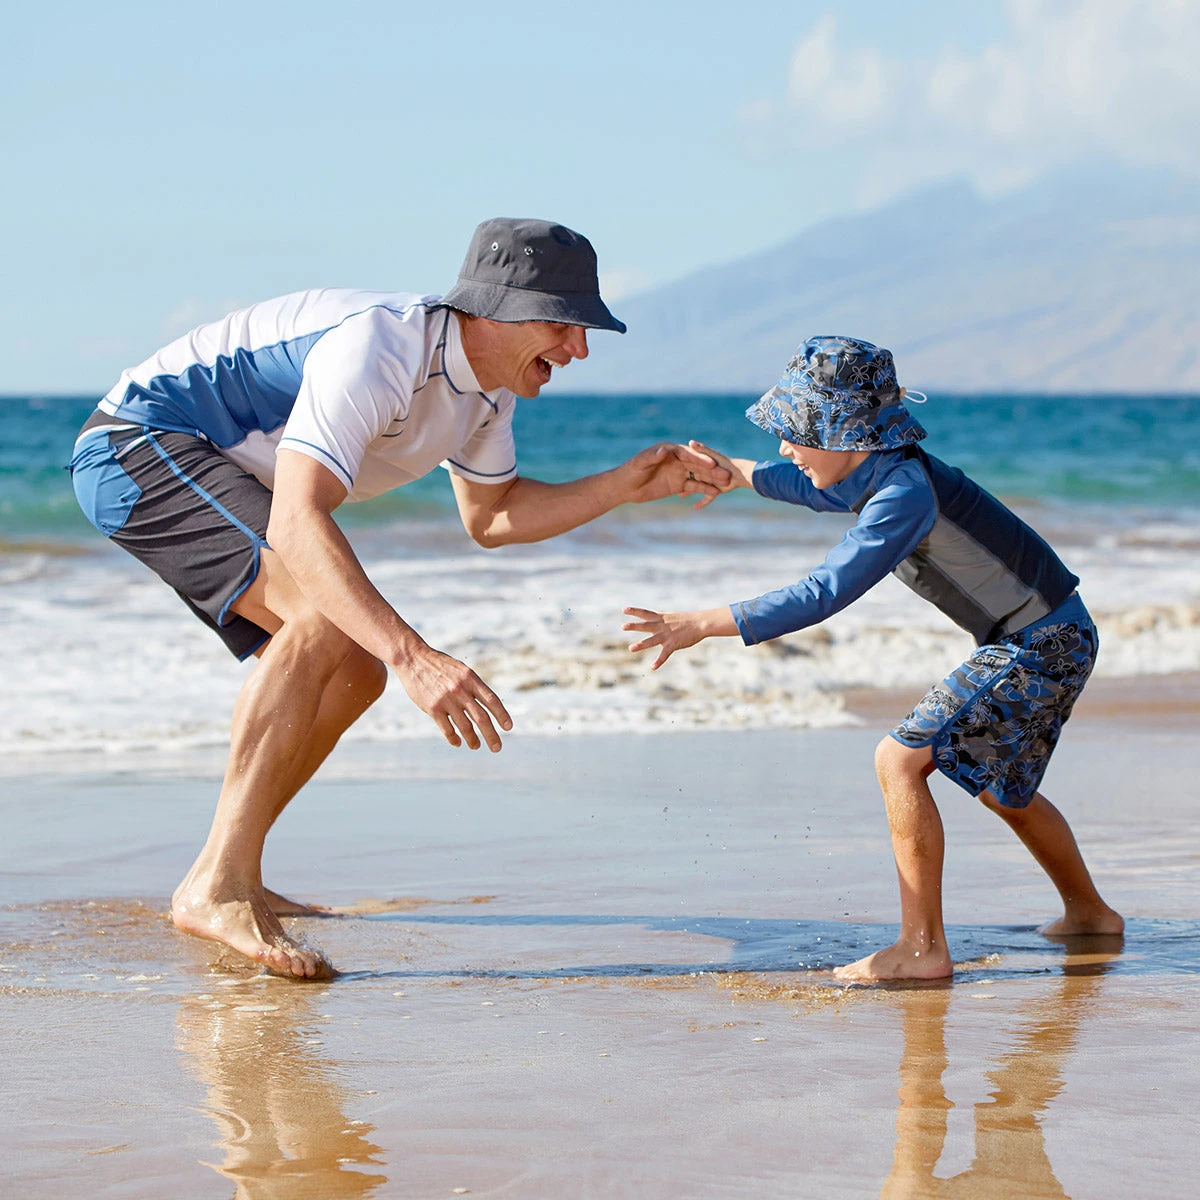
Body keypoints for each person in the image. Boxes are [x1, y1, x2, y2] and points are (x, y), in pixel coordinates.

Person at [69, 217, 726, 979]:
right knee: (329, 623)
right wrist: (415, 655)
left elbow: (493, 515)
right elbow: (298, 516)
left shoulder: (486, 394)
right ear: (497, 308)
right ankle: (215, 882)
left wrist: (623, 485)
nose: (579, 350)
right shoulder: (379, 350)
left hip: (223, 471)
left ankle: (233, 871)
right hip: (137, 443)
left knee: (356, 667)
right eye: (564, 324)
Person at [623, 335, 1123, 981]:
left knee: (900, 759)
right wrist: (736, 472)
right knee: (1006, 789)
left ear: (846, 435)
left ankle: (922, 950)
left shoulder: (904, 493)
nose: (784, 446)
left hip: (1039, 645)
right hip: (1055, 634)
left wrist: (704, 622)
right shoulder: (879, 469)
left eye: (796, 432)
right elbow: (812, 486)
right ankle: (1092, 916)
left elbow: (825, 590)